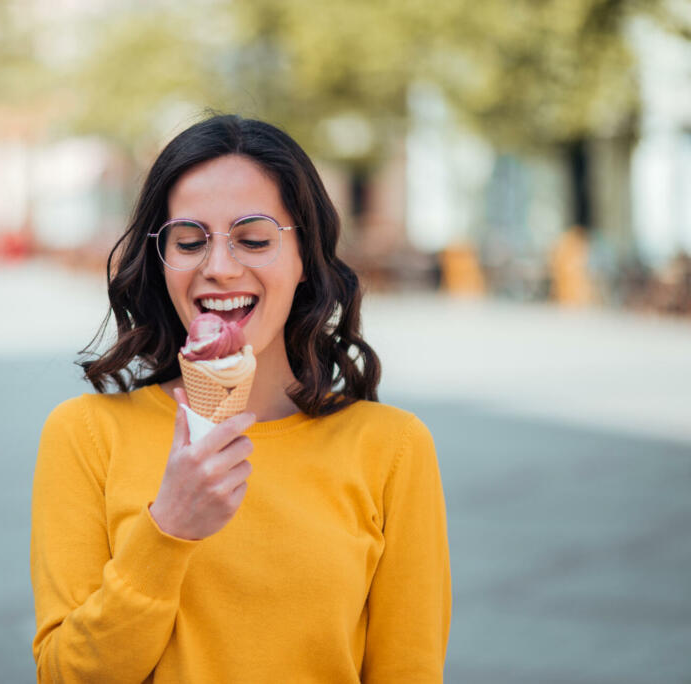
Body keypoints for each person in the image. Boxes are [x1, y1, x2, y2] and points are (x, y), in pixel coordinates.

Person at [30, 114, 451, 683]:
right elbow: (64, 676)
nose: (220, 268)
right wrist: (168, 530)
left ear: (306, 257)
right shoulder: (85, 434)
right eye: (189, 241)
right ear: (161, 260)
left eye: (253, 238)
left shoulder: (392, 448)